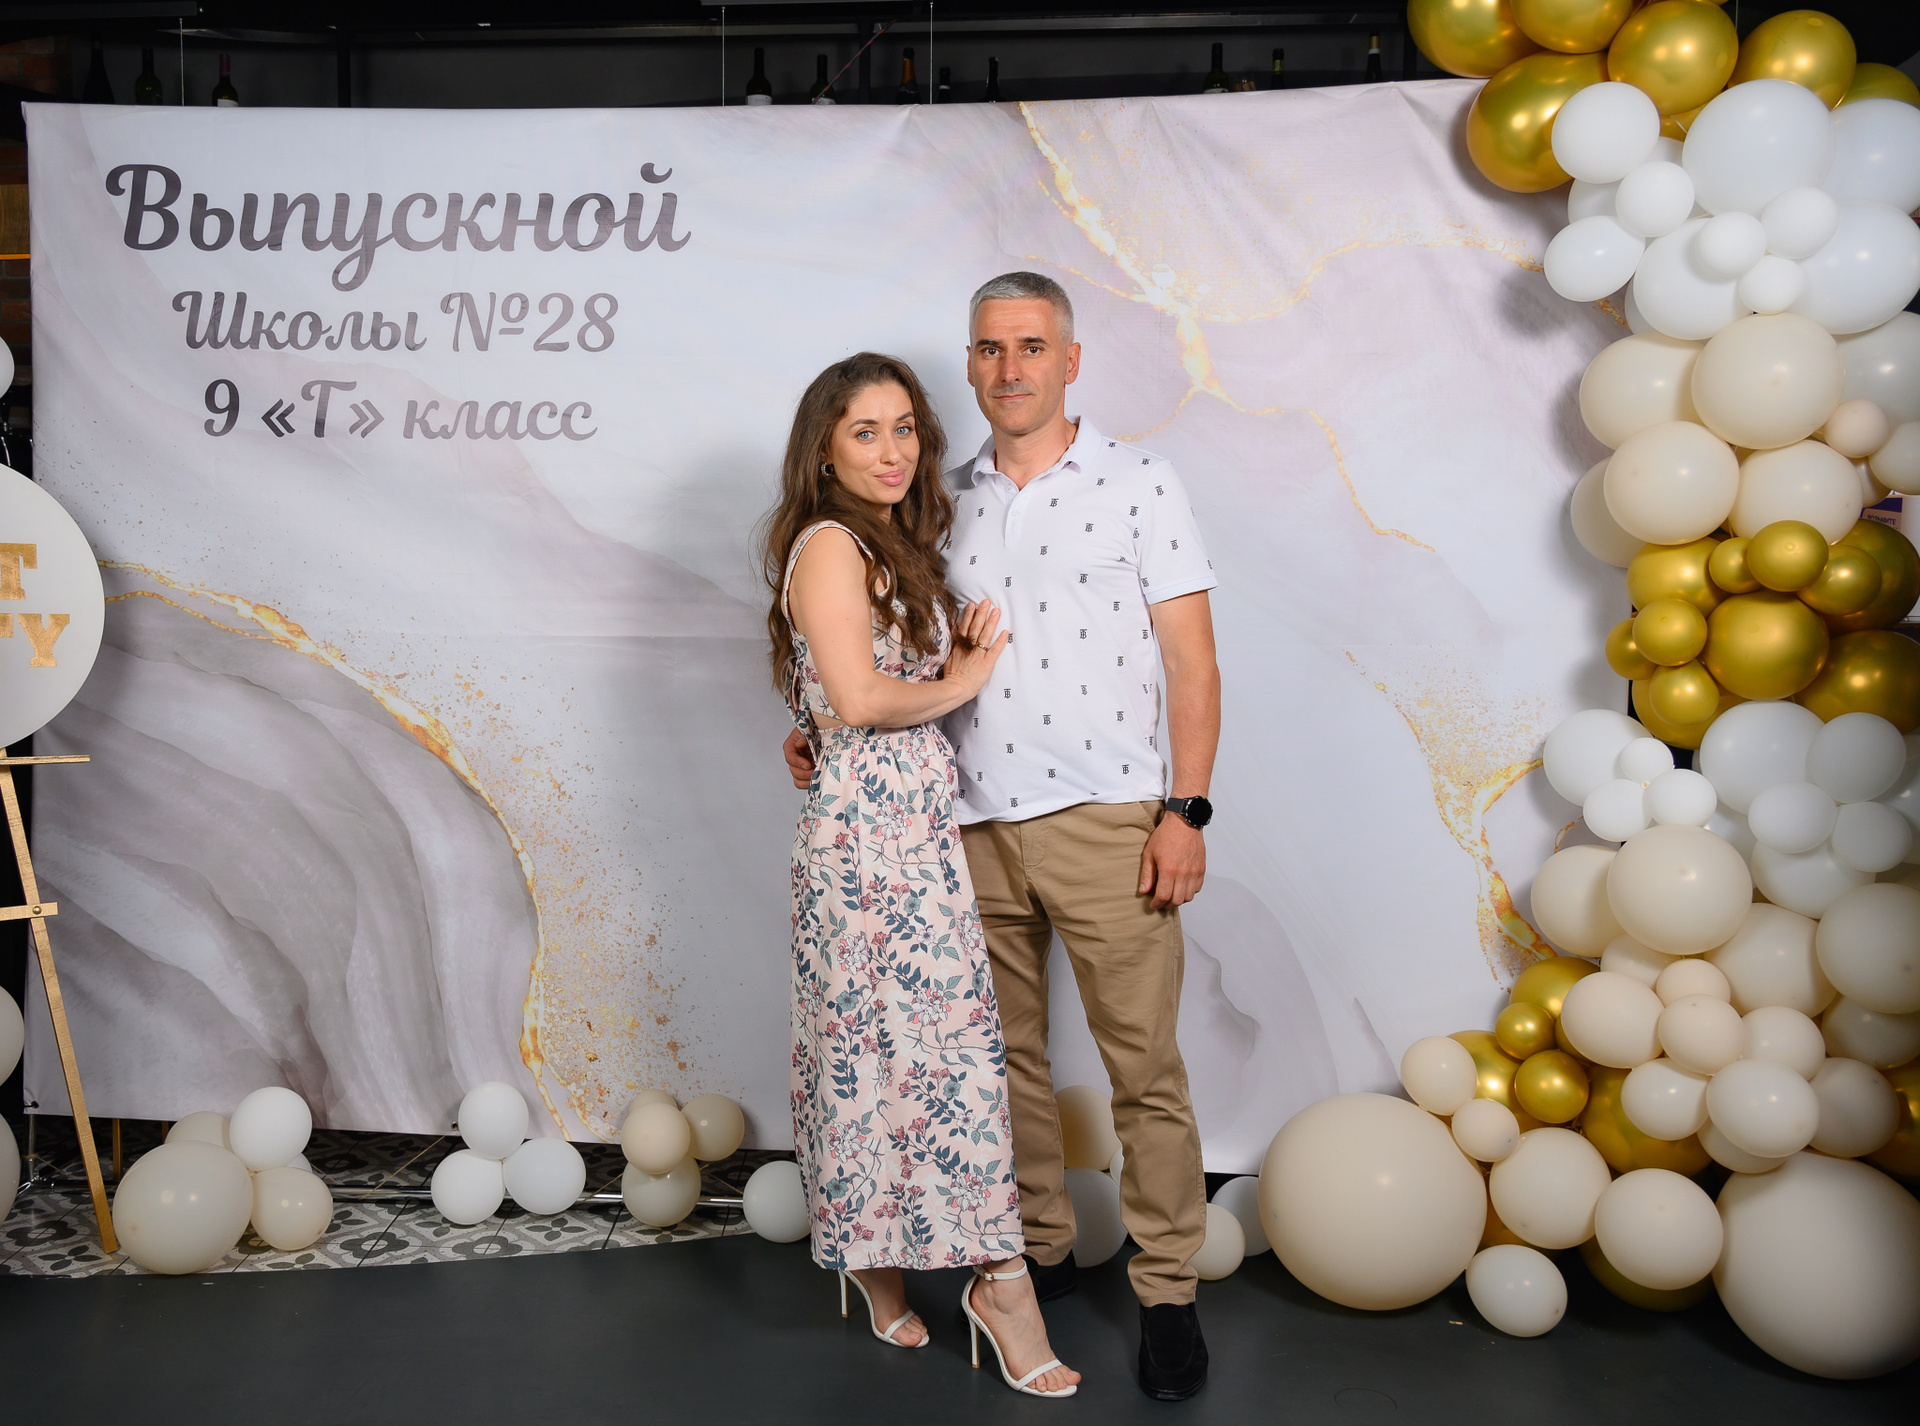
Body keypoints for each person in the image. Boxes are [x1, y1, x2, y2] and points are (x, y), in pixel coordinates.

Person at [785, 275, 1222, 1401]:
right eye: (989, 348)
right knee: (998, 1064)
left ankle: (1168, 1293)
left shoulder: (1139, 482)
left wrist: (1186, 809)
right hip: (960, 828)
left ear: (1070, 360)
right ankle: (1040, 1249)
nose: (1010, 367)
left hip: (1108, 819)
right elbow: (876, 652)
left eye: (1032, 346)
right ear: (971, 365)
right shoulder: (938, 505)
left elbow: (1193, 660)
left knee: (1145, 1069)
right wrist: (818, 730)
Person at [760, 351, 1081, 1399]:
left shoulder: (891, 542)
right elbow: (859, 699)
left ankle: (883, 1261)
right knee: (908, 1060)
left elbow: (836, 697)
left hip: (912, 832)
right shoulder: (829, 543)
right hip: (866, 846)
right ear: (824, 448)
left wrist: (834, 718)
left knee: (925, 1059)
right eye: (866, 431)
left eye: (905, 428)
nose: (892, 450)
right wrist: (966, 677)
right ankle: (998, 1286)